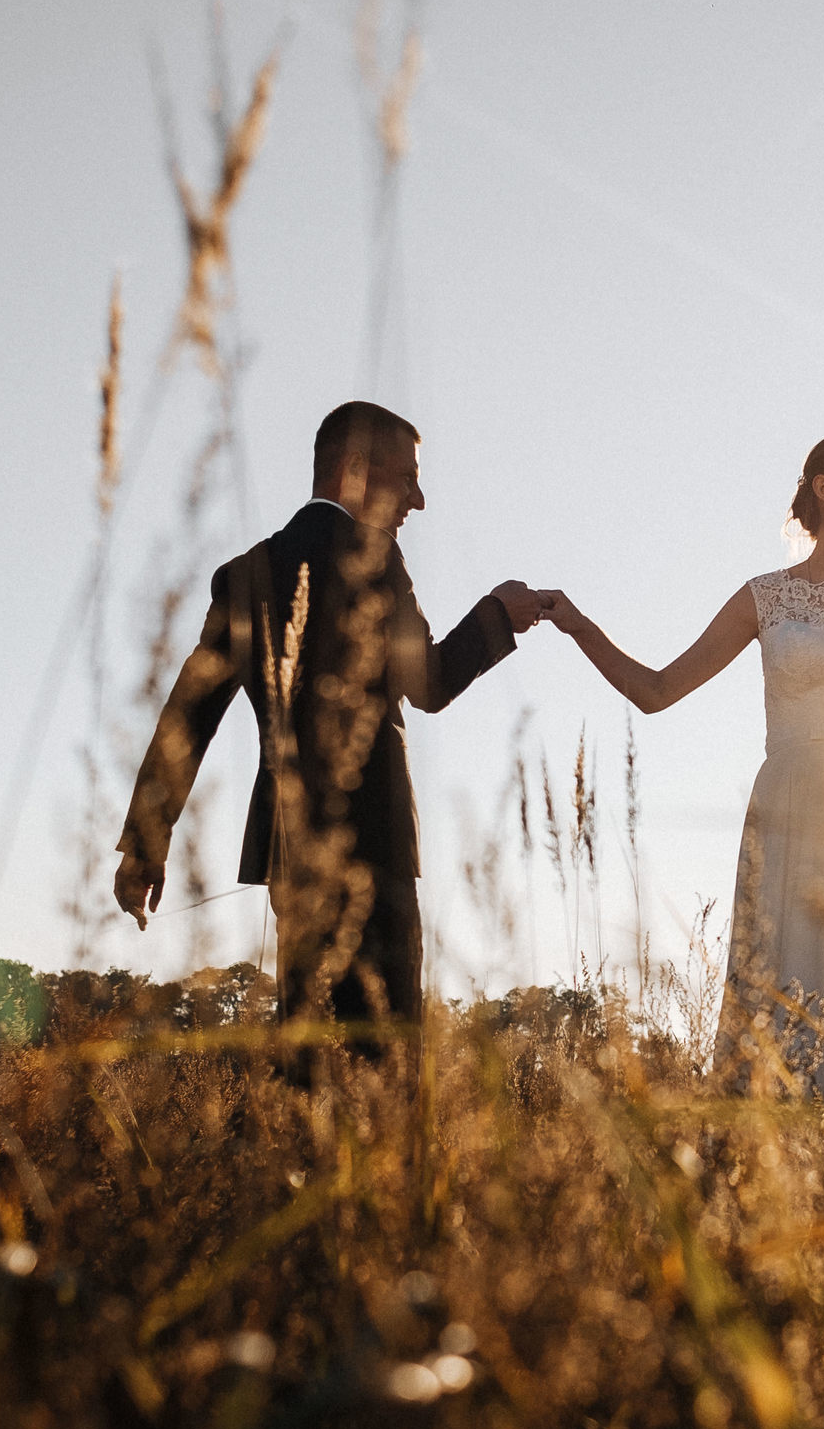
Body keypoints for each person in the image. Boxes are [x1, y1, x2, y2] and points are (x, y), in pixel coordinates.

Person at [115, 400, 547, 1047]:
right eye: (407, 477)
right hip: (376, 850)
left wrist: (145, 843)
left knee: (309, 1049)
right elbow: (428, 683)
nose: (419, 499)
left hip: (290, 851)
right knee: (385, 1056)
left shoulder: (245, 576)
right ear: (353, 471)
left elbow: (189, 713)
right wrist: (497, 615)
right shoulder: (375, 559)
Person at [540, 428, 824, 1090]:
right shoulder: (767, 597)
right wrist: (579, 625)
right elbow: (656, 691)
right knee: (793, 992)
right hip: (793, 813)